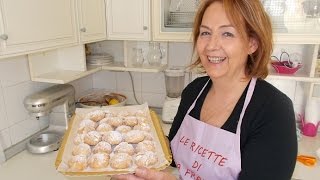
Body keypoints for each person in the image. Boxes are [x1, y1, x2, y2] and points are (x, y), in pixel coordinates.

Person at [114, 0, 297, 179]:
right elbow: (173, 160)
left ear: (252, 43)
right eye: (205, 33)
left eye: (227, 34)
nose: (211, 45)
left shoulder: (274, 111)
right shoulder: (194, 90)